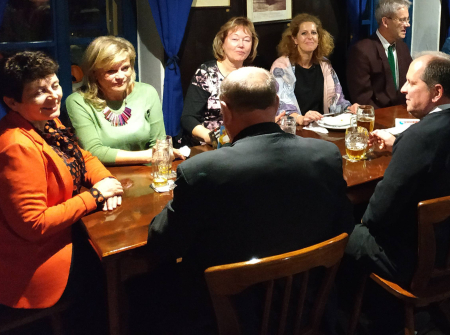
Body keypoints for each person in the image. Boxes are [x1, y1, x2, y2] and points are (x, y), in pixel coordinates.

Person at [148, 67, 354, 332]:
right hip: (307, 306)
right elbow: (344, 224)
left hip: (230, 316)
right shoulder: (325, 154)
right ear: (277, 104)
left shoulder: (201, 171)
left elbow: (161, 243)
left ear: (225, 110)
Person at [0, 52, 122, 310]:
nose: (53, 96)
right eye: (39, 92)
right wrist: (95, 196)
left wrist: (106, 181)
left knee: (110, 257)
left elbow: (82, 156)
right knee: (111, 275)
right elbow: (34, 224)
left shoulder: (45, 120)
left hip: (50, 238)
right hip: (19, 264)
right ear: (12, 102)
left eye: (55, 85)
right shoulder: (15, 146)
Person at [346, 53, 450, 285]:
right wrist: (398, 143)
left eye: (411, 83)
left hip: (416, 259)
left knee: (339, 227)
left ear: (436, 92)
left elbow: (376, 216)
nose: (403, 89)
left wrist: (359, 220)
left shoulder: (418, 138)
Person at [66, 36, 181, 165]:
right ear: (94, 73)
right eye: (111, 71)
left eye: (125, 68)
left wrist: (156, 155)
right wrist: (149, 156)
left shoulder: (147, 93)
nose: (121, 76)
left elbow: (159, 144)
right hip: (104, 175)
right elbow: (94, 151)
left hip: (146, 171)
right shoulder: (78, 101)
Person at [180, 17, 258, 145]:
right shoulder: (206, 72)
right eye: (235, 39)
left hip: (245, 142)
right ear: (222, 43)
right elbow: (188, 118)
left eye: (246, 40)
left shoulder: (253, 75)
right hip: (211, 145)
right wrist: (213, 138)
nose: (241, 45)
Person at [271, 13, 358, 126]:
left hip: (321, 125)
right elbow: (282, 106)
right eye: (304, 33)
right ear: (295, 39)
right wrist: (301, 119)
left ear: (319, 38)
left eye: (313, 33)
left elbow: (337, 101)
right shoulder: (281, 67)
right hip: (294, 128)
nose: (310, 37)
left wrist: (350, 109)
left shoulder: (324, 64)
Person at [347, 0, 413, 108]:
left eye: (407, 19)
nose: (407, 24)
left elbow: (410, 84)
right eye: (402, 20)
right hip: (377, 115)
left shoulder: (403, 48)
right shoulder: (362, 51)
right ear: (385, 22)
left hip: (403, 112)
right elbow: (362, 98)